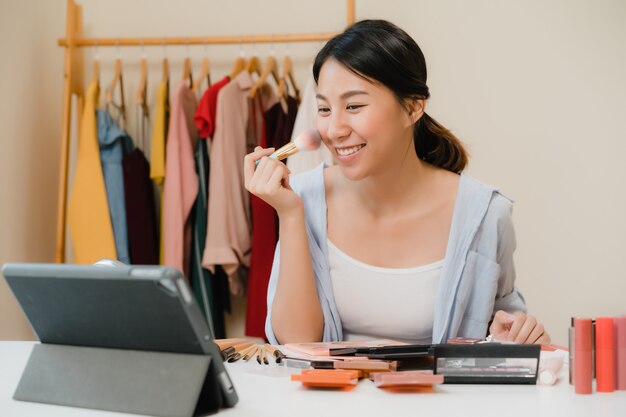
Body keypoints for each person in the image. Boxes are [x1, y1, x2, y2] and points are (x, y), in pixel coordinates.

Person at [244, 20, 550, 345]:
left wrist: (521, 335)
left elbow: (505, 326)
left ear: (413, 107)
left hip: (440, 397)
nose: (333, 129)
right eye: (323, 108)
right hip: (329, 397)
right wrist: (291, 216)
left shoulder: (485, 214)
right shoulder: (301, 196)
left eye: (354, 106)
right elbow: (297, 343)